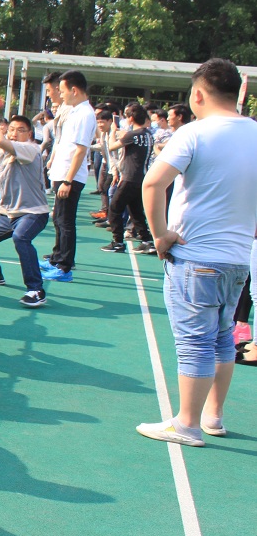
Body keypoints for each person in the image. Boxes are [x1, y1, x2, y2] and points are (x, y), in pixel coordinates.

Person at [137, 59, 257, 446]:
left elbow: (154, 183)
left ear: (198, 94)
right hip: (237, 258)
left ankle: (186, 422)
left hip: (196, 256)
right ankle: (213, 415)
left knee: (195, 341)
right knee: (222, 336)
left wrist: (159, 235)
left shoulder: (194, 133)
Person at [0, 111, 51, 307]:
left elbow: (1, 142)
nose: (15, 133)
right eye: (12, 129)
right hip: (7, 214)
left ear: (30, 134)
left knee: (21, 237)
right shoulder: (2, 153)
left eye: (21, 130)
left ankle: (36, 290)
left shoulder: (31, 149)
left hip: (33, 212)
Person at [41, 69, 96, 282]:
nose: (59, 94)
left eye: (62, 91)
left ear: (74, 90)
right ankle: (56, 258)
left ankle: (64, 266)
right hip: (62, 172)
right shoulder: (74, 111)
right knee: (59, 218)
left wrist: (67, 180)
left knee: (65, 221)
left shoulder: (85, 114)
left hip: (69, 177)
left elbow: (80, 150)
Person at [101, 103, 155, 254]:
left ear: (131, 119)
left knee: (114, 208)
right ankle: (147, 240)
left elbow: (111, 146)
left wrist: (112, 131)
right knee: (136, 211)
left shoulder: (132, 135)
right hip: (142, 177)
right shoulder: (148, 135)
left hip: (129, 177)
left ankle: (117, 241)